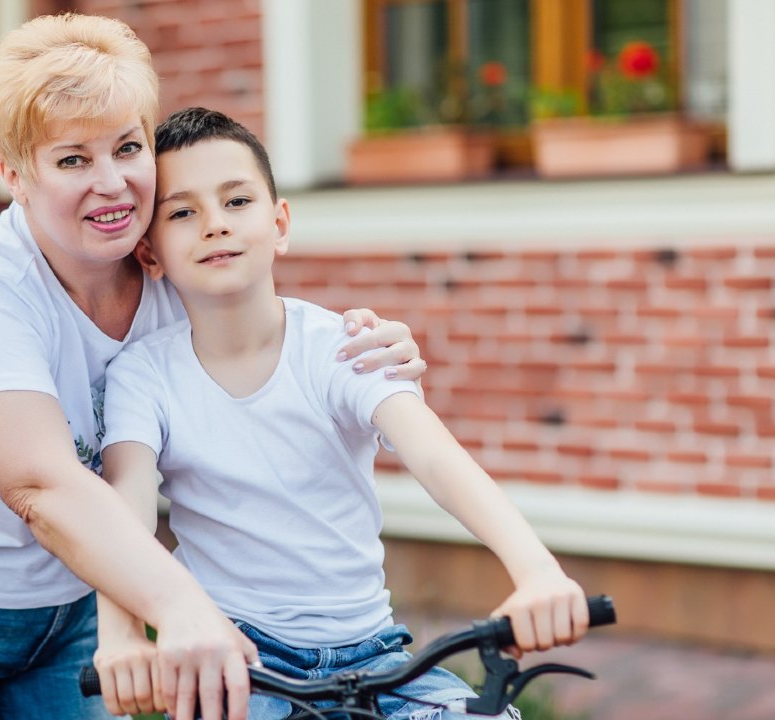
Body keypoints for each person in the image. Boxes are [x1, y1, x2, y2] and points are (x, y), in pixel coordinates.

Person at [0, 15, 425, 720]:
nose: (112, 185)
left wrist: (372, 347)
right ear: (13, 173)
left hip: (71, 603)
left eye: (127, 148)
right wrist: (180, 607)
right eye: (72, 160)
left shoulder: (171, 259)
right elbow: (41, 487)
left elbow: (272, 336)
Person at [94, 107, 590, 720]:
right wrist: (117, 634)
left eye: (237, 201)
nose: (214, 225)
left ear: (279, 224)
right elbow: (126, 509)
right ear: (149, 250)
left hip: (376, 657)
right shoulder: (143, 376)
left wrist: (537, 570)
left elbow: (435, 457)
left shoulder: (342, 346)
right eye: (183, 212)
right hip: (235, 660)